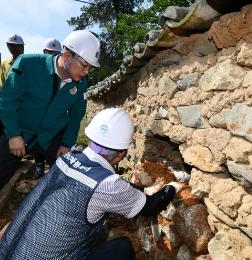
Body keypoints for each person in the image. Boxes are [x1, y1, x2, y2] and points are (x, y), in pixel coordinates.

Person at [0, 108, 179, 260]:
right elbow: (151, 206)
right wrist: (173, 186)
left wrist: (142, 189)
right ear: (121, 155)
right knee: (122, 248)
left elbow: (103, 184)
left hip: (8, 252)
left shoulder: (66, 159)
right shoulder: (107, 185)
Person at [0, 30, 100, 189]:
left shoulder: (81, 84)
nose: (87, 72)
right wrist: (13, 135)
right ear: (67, 56)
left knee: (70, 176)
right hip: (21, 131)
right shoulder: (27, 64)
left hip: (51, 135)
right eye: (85, 65)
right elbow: (7, 100)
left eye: (91, 68)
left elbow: (76, 115)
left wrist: (67, 144)